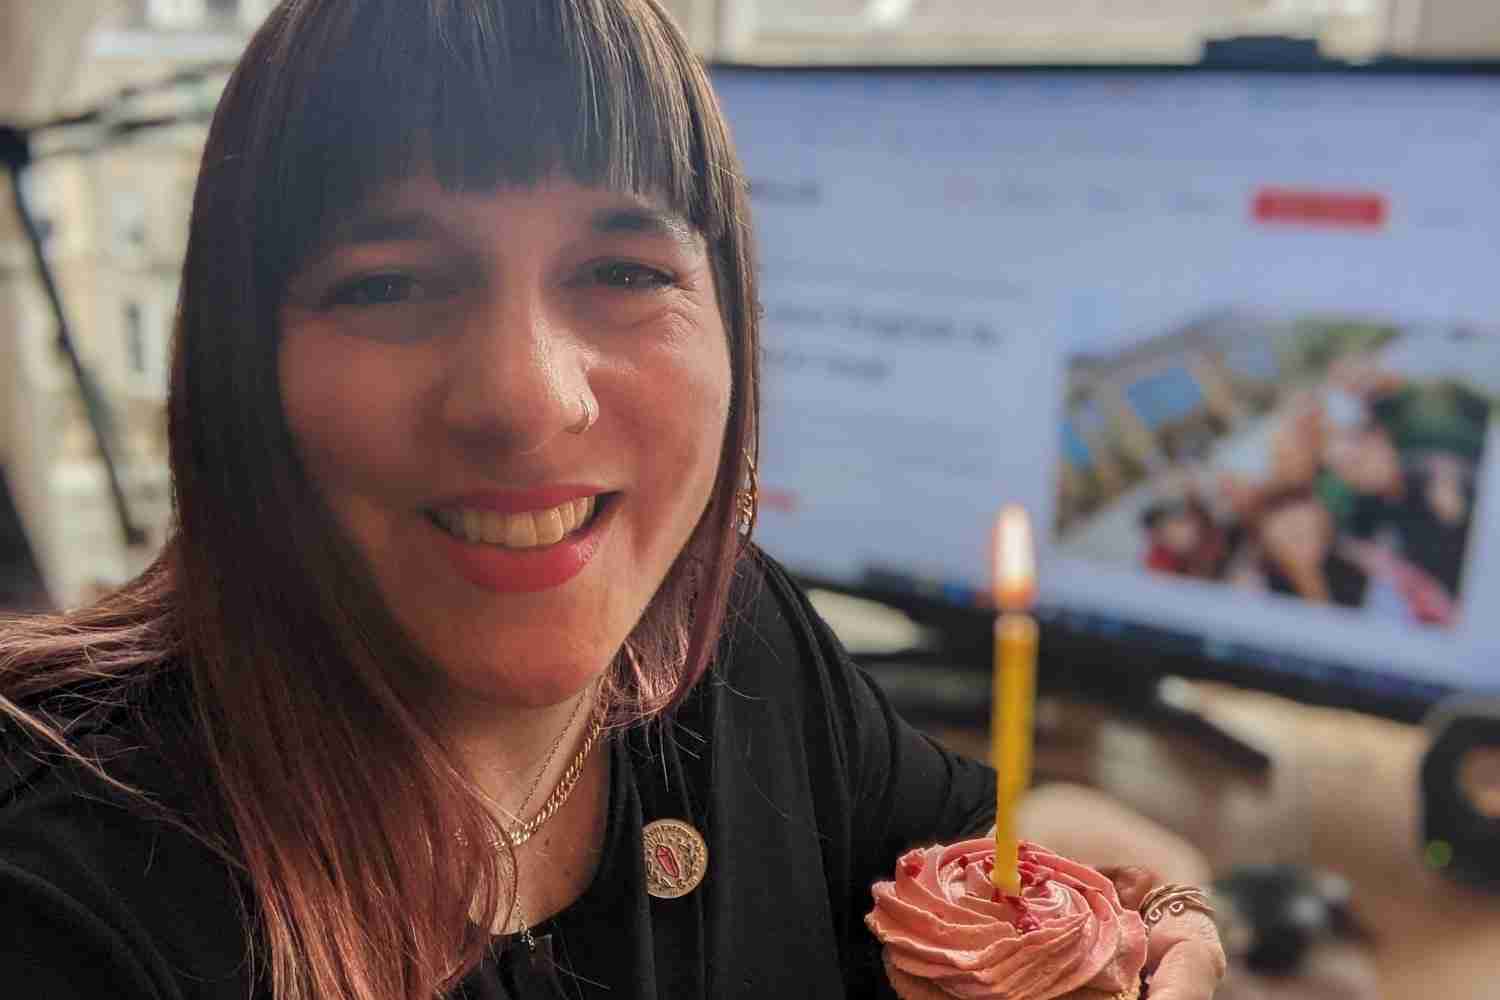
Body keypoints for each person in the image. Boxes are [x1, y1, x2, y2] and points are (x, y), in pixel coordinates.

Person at [0, 2, 1225, 998]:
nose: (529, 401)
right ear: (239, 366)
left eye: (626, 270)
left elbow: (967, 835)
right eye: (387, 284)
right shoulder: (63, 887)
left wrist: (1155, 914)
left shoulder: (731, 633)